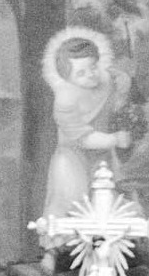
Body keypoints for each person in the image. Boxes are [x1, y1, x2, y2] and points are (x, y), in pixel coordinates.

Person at [40, 29, 133, 229]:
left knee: (111, 201)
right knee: (70, 199)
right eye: (80, 73)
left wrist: (123, 85)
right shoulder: (65, 100)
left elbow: (120, 91)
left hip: (103, 156)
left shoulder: (108, 80)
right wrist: (115, 139)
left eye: (93, 67)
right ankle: (53, 253)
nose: (90, 75)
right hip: (73, 156)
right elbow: (83, 139)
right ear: (67, 78)